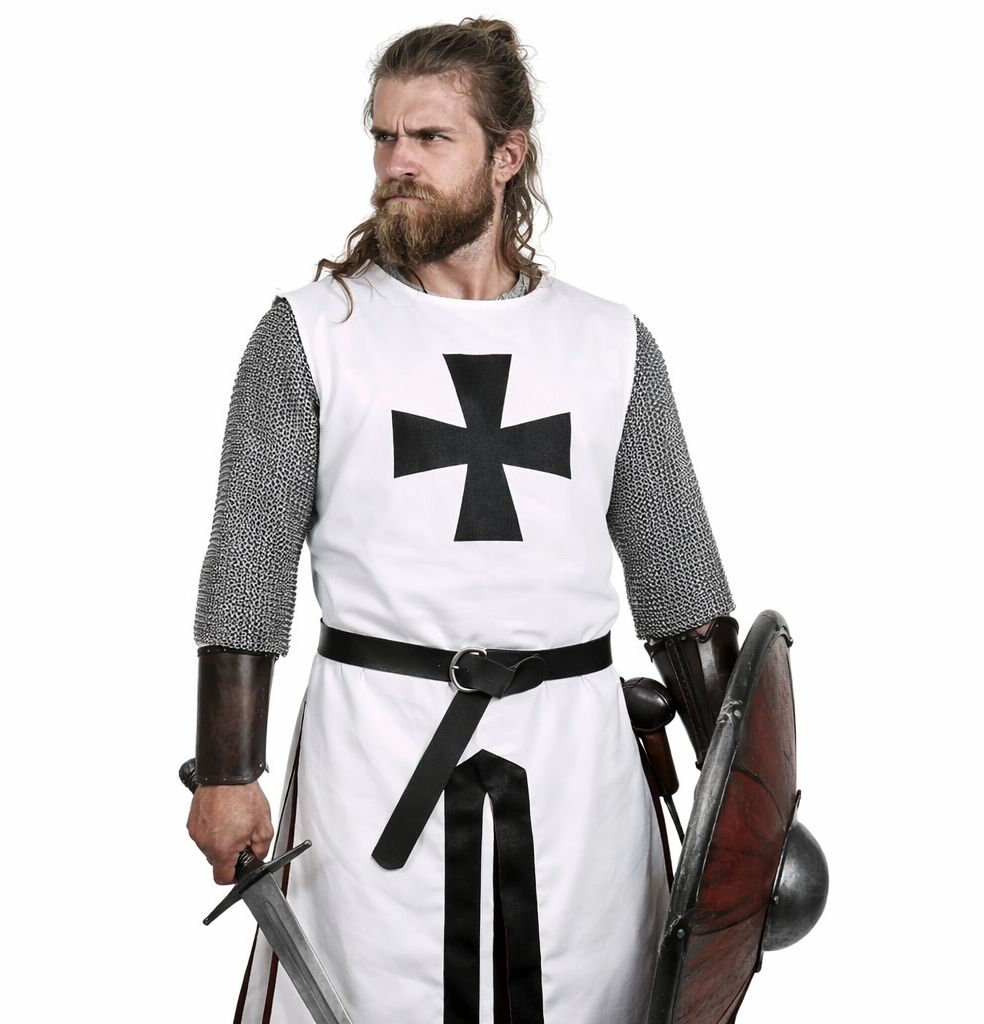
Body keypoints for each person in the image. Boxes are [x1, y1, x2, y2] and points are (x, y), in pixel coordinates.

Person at [187, 17, 737, 1024]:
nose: (396, 163)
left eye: (429, 138)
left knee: (586, 993)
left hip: (579, 763)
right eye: (383, 136)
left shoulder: (608, 343)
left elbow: (681, 593)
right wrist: (227, 772)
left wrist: (737, 797)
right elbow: (246, 571)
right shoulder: (312, 335)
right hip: (375, 749)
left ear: (506, 156)